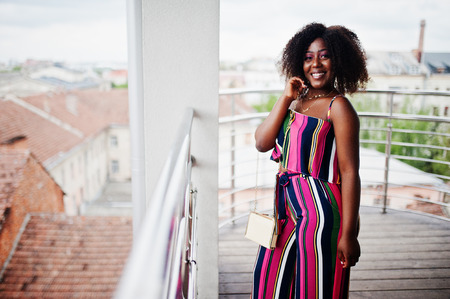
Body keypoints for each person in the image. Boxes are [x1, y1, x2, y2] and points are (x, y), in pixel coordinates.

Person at [252, 23, 369, 299]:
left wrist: (349, 234)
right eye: (307, 57)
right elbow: (262, 142)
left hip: (321, 213)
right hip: (286, 209)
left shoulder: (338, 107)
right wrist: (285, 97)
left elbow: (350, 172)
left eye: (324, 55)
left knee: (315, 289)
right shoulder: (295, 101)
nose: (315, 63)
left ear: (337, 60)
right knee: (270, 282)